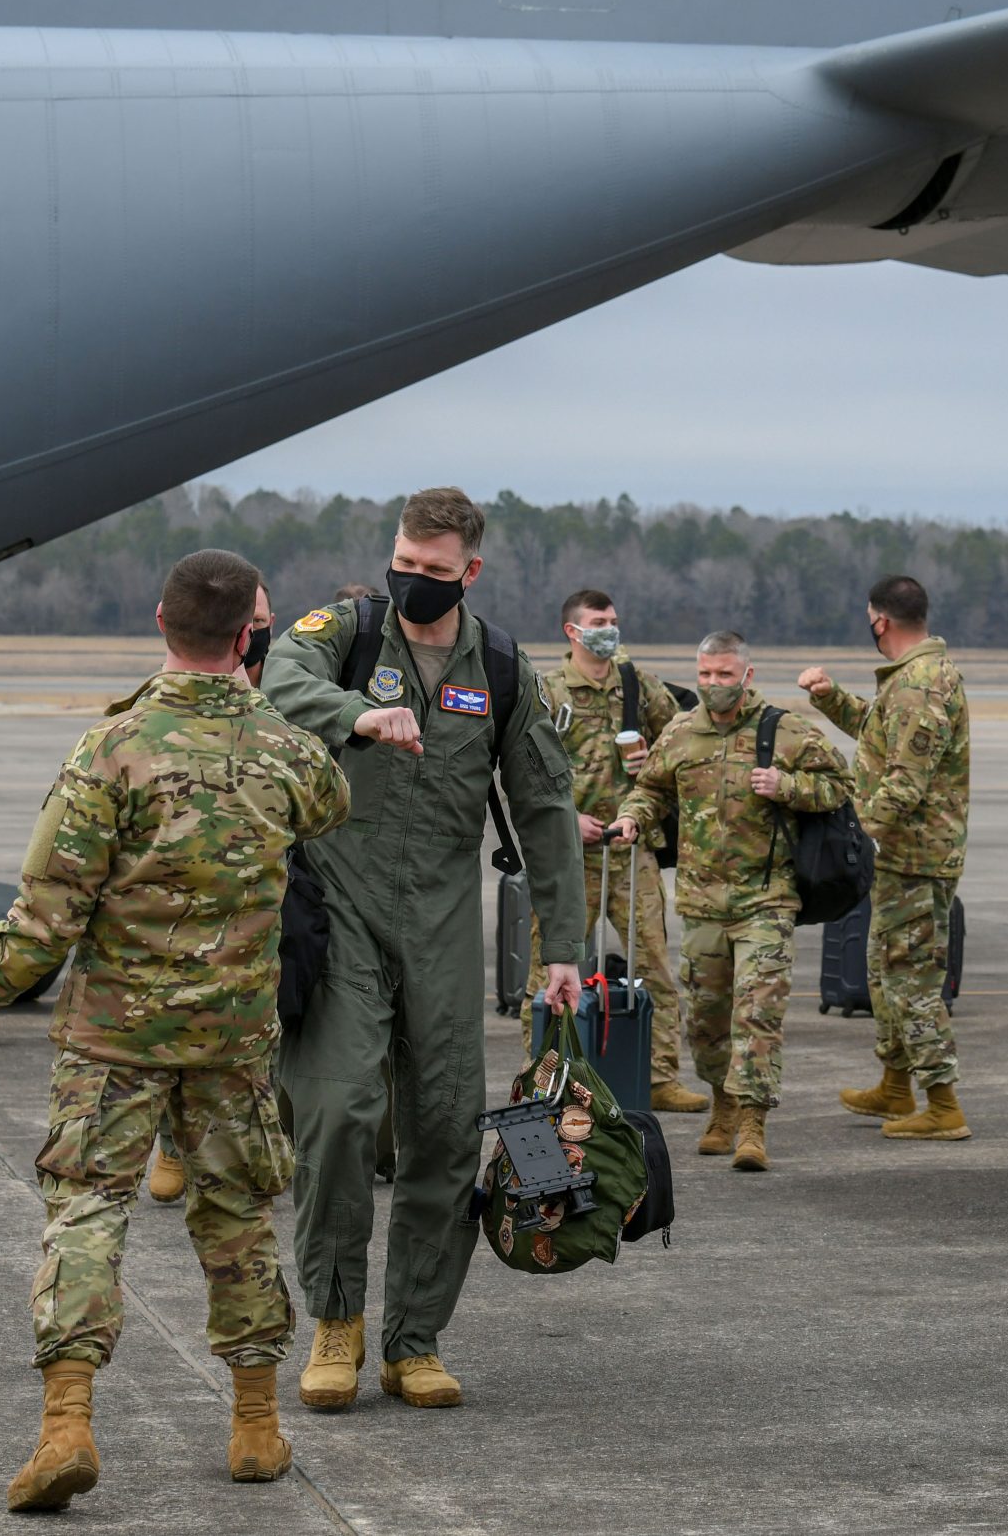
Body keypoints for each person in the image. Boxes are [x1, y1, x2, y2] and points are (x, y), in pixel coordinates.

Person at [0, 550, 349, 1513]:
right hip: (233, 1037)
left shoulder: (113, 747)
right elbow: (332, 806)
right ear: (248, 635)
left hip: (114, 1041)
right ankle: (256, 1424)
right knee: (238, 1217)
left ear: (160, 621)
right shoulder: (290, 752)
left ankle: (69, 1424)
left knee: (87, 1212)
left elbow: (50, 905)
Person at [262, 488, 587, 1411]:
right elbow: (282, 675)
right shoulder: (349, 629)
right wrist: (355, 714)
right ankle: (335, 1319)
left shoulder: (506, 668)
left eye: (435, 570)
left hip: (444, 920)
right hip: (342, 905)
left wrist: (561, 942)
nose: (413, 579)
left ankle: (415, 1337)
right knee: (335, 1112)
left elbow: (546, 808)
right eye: (405, 559)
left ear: (470, 572)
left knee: (445, 1127)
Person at [612, 632, 851, 1172]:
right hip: (700, 903)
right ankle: (721, 1099)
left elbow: (841, 784)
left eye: (723, 675)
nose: (713, 685)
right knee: (707, 1021)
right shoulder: (680, 731)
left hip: (765, 901)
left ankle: (751, 1124)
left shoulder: (783, 730)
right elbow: (650, 789)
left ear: (747, 675)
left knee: (757, 1014)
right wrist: (633, 817)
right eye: (704, 675)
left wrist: (788, 786)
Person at [798, 574, 974, 1140]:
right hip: (901, 857)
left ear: (880, 621)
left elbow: (907, 779)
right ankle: (896, 1085)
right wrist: (829, 699)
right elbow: (881, 734)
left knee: (912, 978)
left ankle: (943, 1105)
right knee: (883, 970)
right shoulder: (912, 679)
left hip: (916, 858)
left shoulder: (922, 684)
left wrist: (861, 836)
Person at [525, 588, 707, 1114]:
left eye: (613, 619)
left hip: (631, 852)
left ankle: (659, 1076)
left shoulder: (636, 684)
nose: (609, 628)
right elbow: (524, 772)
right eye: (598, 621)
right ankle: (543, 1073)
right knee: (552, 972)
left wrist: (648, 777)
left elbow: (680, 743)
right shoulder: (548, 692)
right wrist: (564, 821)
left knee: (653, 967)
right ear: (572, 631)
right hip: (571, 857)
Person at [148, 582, 279, 1208]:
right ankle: (175, 1140)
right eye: (245, 618)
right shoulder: (158, 710)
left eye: (261, 617)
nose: (251, 629)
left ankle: (252, 1142)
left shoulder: (287, 693)